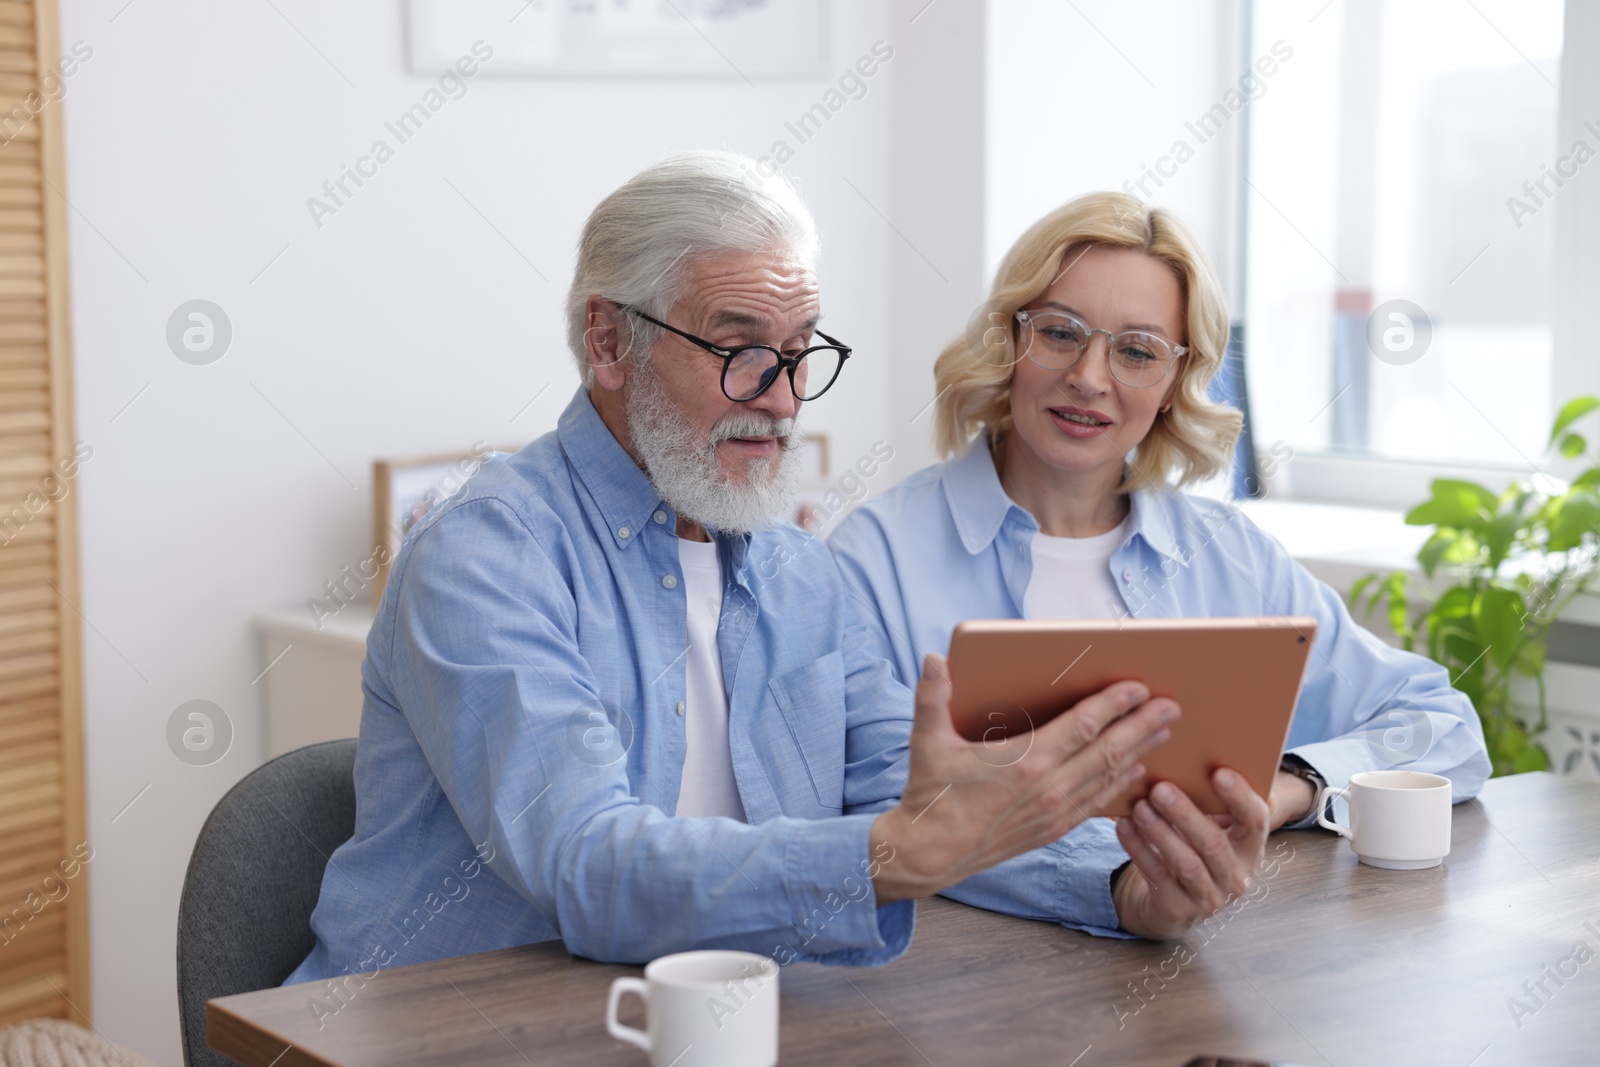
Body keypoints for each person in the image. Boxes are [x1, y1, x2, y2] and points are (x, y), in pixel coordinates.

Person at [284, 157, 1179, 993]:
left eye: (798, 353)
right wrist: (890, 853)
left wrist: (1124, 885)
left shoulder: (801, 573)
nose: (785, 398)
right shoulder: (486, 551)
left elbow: (922, 805)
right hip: (431, 1037)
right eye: (740, 350)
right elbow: (586, 862)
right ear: (608, 341)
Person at [828, 192, 1492, 940]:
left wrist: (1287, 790)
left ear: (1178, 380)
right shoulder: (871, 556)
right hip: (961, 996)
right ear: (1009, 338)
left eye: (1137, 350)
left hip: (1206, 979)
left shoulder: (1232, 556)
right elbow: (882, 808)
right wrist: (1118, 882)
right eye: (1060, 333)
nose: (1089, 376)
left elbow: (1443, 727)